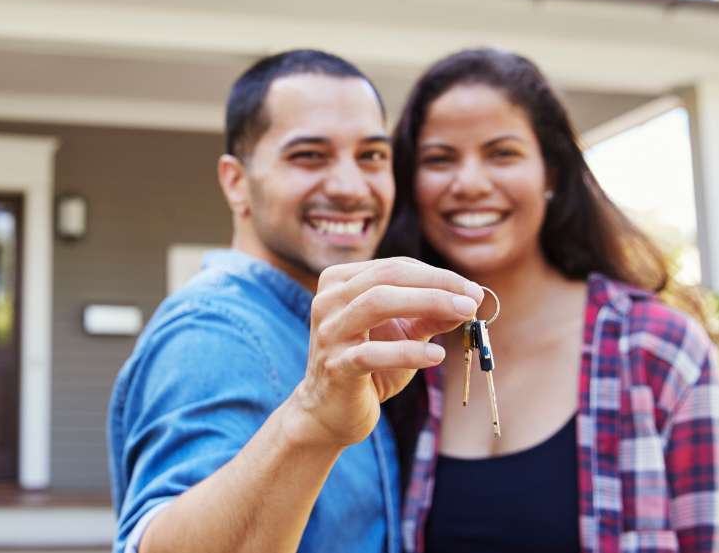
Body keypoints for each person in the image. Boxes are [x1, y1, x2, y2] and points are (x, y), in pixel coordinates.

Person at [107, 50, 485, 553]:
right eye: (309, 155)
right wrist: (310, 419)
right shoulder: (212, 332)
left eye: (372, 155)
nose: (352, 188)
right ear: (236, 183)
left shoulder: (327, 327)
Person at [379, 48, 719, 553]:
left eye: (501, 153)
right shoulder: (393, 354)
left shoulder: (660, 349)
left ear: (550, 174)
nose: (467, 183)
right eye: (439, 159)